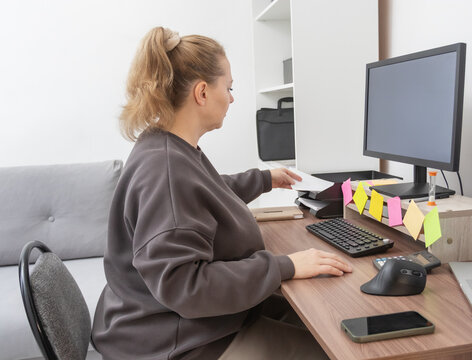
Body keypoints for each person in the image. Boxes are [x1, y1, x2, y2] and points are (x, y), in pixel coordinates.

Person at [92, 27, 352, 360]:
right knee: (334, 349)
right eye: (228, 88)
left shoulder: (168, 146)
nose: (231, 98)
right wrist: (284, 266)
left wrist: (263, 179)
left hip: (176, 323)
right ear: (202, 92)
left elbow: (205, 193)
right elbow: (186, 286)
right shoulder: (166, 171)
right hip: (177, 341)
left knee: (322, 323)